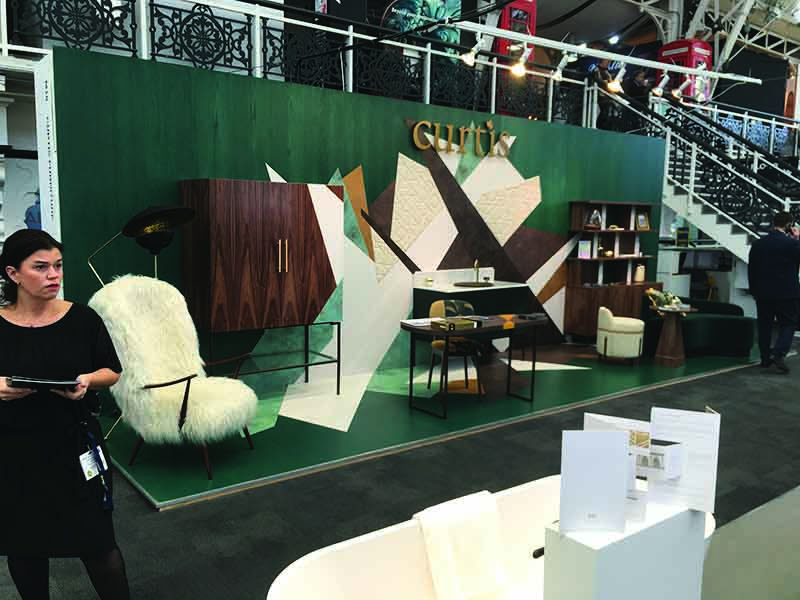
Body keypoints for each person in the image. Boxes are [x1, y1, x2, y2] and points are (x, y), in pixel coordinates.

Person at [0, 229, 131, 599]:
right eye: (41, 267)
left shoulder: (83, 319)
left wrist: (87, 380)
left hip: (74, 446)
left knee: (98, 543)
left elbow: (112, 371)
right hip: (13, 453)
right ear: (13, 273)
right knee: (24, 545)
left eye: (58, 266)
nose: (54, 275)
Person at [747, 212, 800, 373]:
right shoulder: (791, 244)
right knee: (789, 323)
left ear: (773, 223)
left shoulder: (758, 244)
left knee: (764, 325)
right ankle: (779, 352)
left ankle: (765, 358)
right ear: (789, 225)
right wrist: (797, 239)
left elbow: (752, 269)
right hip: (786, 293)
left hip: (763, 293)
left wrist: (754, 290)